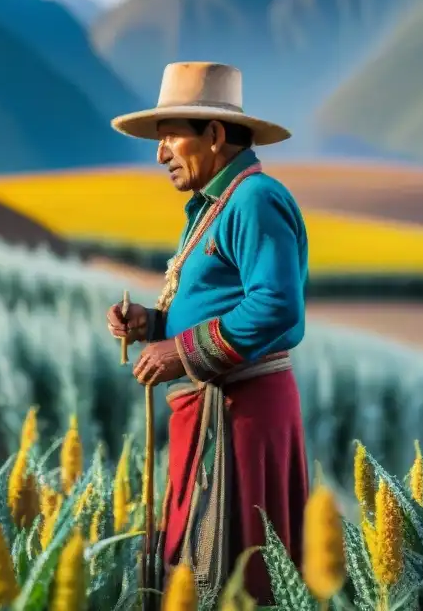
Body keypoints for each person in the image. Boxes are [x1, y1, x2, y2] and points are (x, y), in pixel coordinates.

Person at [105, 61, 309, 605]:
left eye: (171, 135)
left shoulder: (253, 200)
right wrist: (154, 323)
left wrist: (182, 350)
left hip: (241, 415)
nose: (160, 152)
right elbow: (222, 302)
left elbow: (277, 303)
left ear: (215, 136)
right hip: (217, 408)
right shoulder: (215, 206)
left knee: (233, 563)